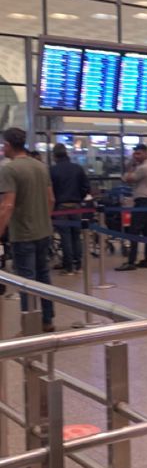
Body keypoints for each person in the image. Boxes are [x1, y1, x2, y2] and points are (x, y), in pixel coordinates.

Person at [0, 128, 55, 332]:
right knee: (44, 277)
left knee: (26, 281)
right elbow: (51, 199)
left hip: (23, 234)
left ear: (8, 145)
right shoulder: (41, 166)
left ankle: (29, 326)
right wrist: (43, 220)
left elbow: (7, 205)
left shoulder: (9, 169)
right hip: (44, 231)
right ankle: (48, 319)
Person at [115, 144, 147, 271]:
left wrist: (130, 167)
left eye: (138, 153)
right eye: (135, 154)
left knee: (134, 230)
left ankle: (131, 261)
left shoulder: (144, 167)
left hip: (143, 201)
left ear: (145, 153)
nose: (135, 156)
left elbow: (128, 179)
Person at [50, 143, 90, 275]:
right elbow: (86, 187)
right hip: (76, 206)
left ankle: (69, 267)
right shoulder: (77, 168)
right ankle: (78, 265)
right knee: (76, 236)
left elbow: (50, 191)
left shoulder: (53, 170)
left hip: (61, 207)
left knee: (65, 236)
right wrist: (79, 197)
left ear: (55, 155)